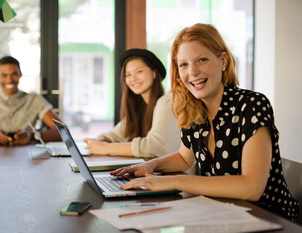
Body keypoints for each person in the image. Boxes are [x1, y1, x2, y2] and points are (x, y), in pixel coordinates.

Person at [111, 23, 299, 222]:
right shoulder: (193, 108)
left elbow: (251, 187)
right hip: (223, 215)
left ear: (223, 61)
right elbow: (184, 158)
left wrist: (175, 181)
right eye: (183, 64)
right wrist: (150, 165)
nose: (192, 72)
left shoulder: (252, 104)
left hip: (270, 220)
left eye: (202, 60)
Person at [84, 49, 180, 158]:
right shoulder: (140, 108)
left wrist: (105, 148)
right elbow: (115, 134)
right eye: (128, 74)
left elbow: (154, 146)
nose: (133, 79)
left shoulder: (167, 101)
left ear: (154, 73)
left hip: (176, 174)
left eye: (139, 71)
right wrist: (98, 142)